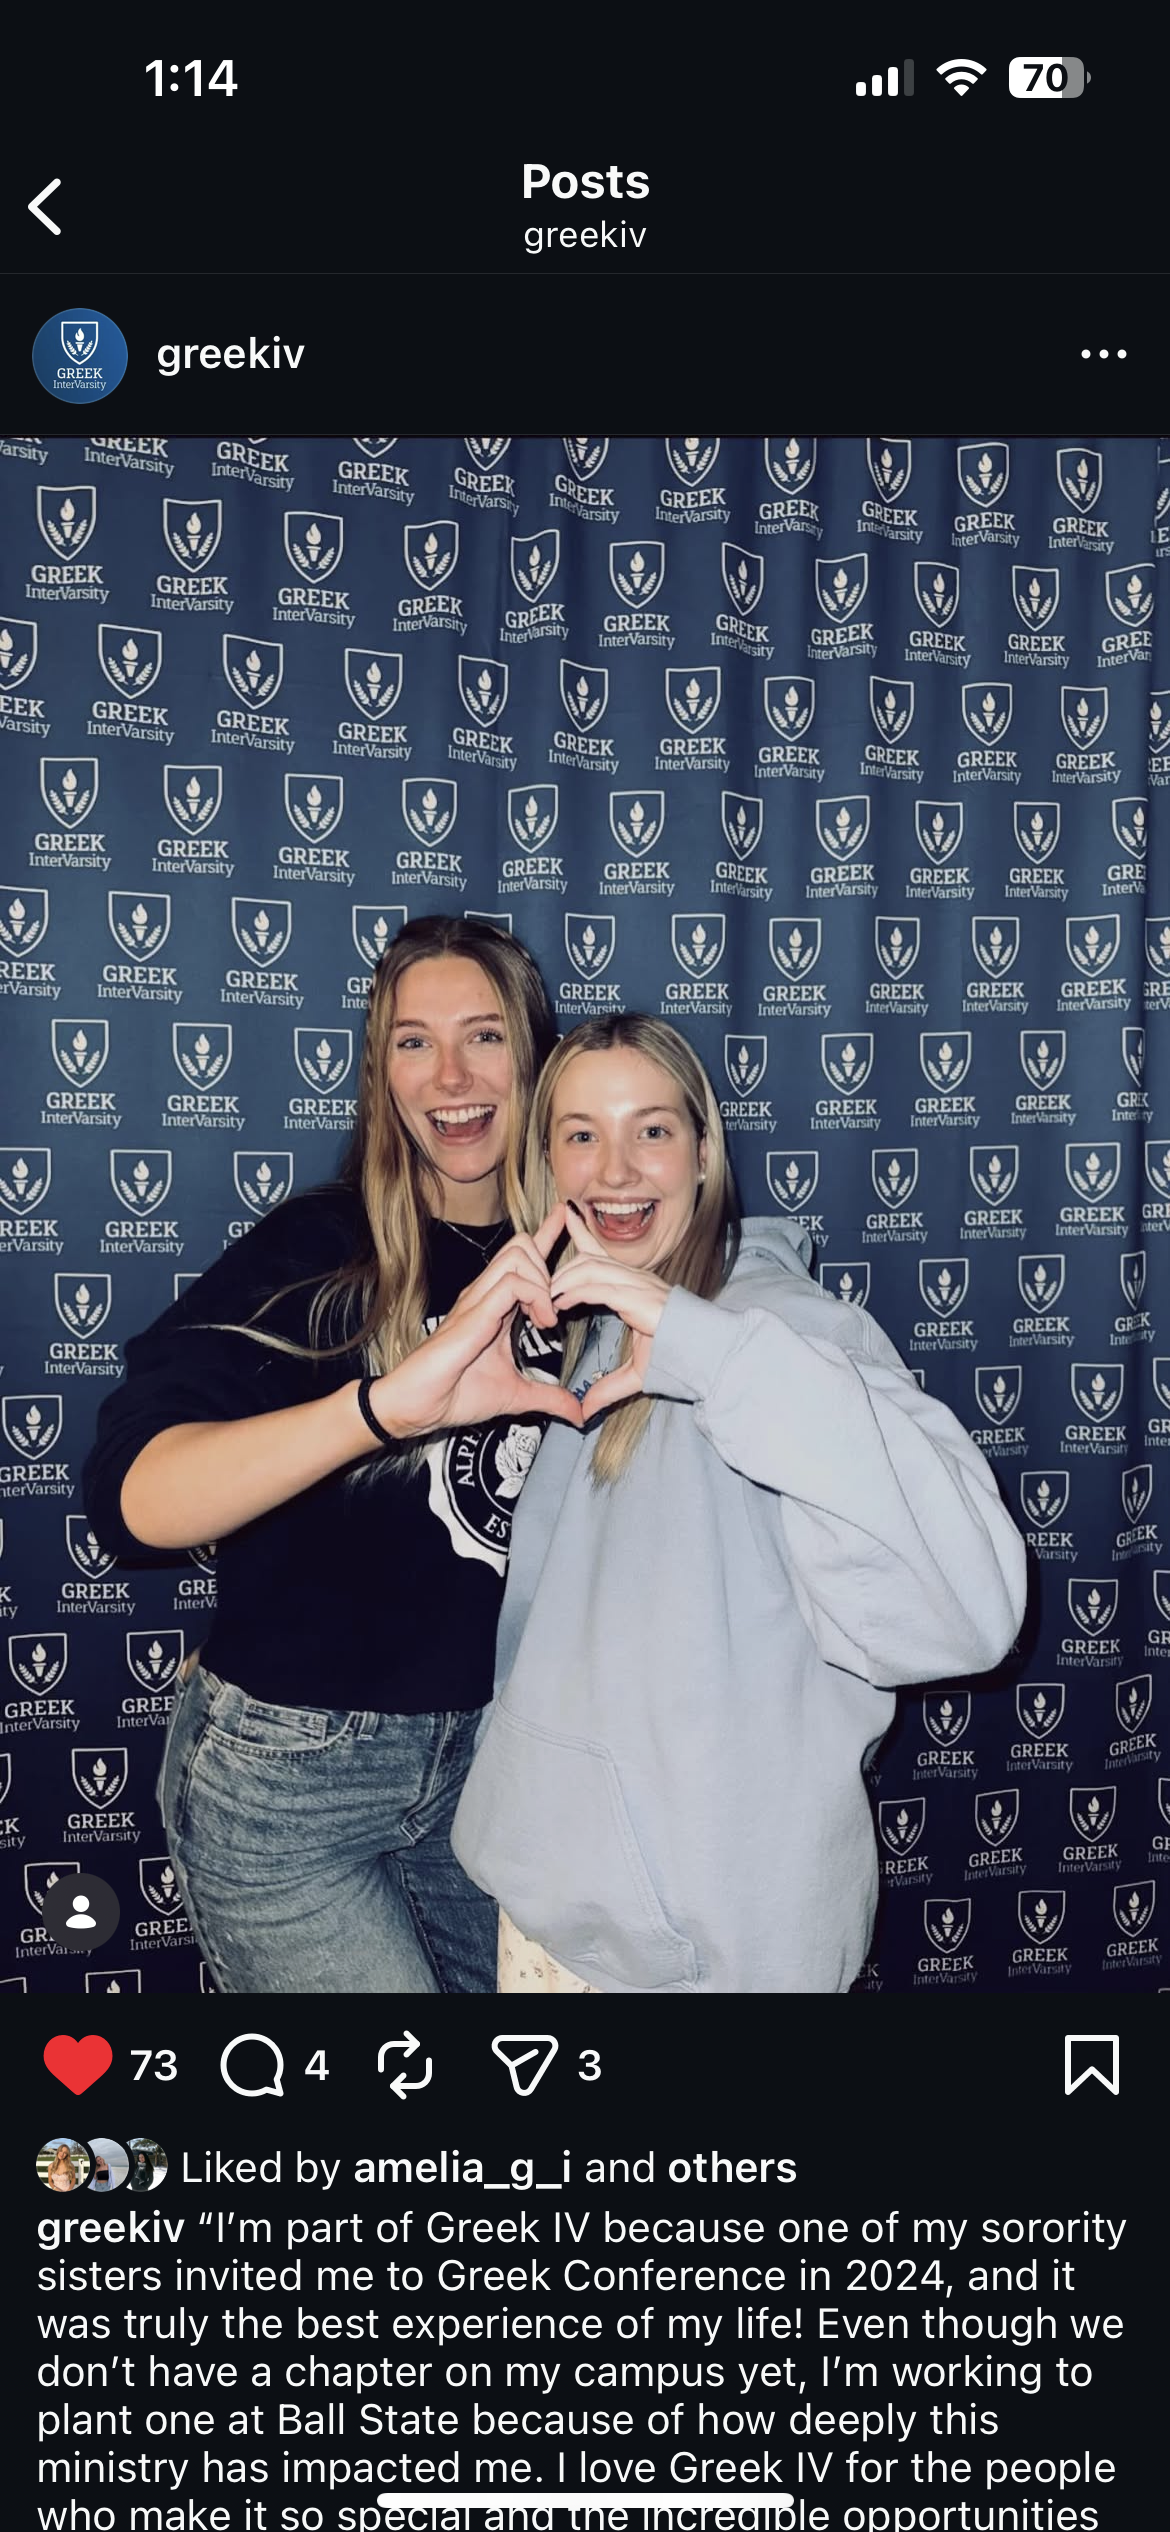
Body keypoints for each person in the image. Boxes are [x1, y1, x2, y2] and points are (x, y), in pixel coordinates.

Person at [449, 1015, 1029, 1994]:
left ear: (705, 1152)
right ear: (547, 1164)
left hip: (713, 1960)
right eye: (582, 1134)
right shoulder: (593, 1329)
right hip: (556, 1918)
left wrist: (706, 1351)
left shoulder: (791, 1332)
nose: (616, 1168)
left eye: (652, 1129)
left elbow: (969, 1612)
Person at [83, 917, 577, 1995]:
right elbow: (131, 1499)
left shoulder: (588, 1259)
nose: (451, 1076)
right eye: (413, 1042)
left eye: (484, 1035)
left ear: (535, 1055)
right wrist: (383, 1411)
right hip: (292, 1780)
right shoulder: (318, 1252)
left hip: (496, 1769)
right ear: (380, 1073)